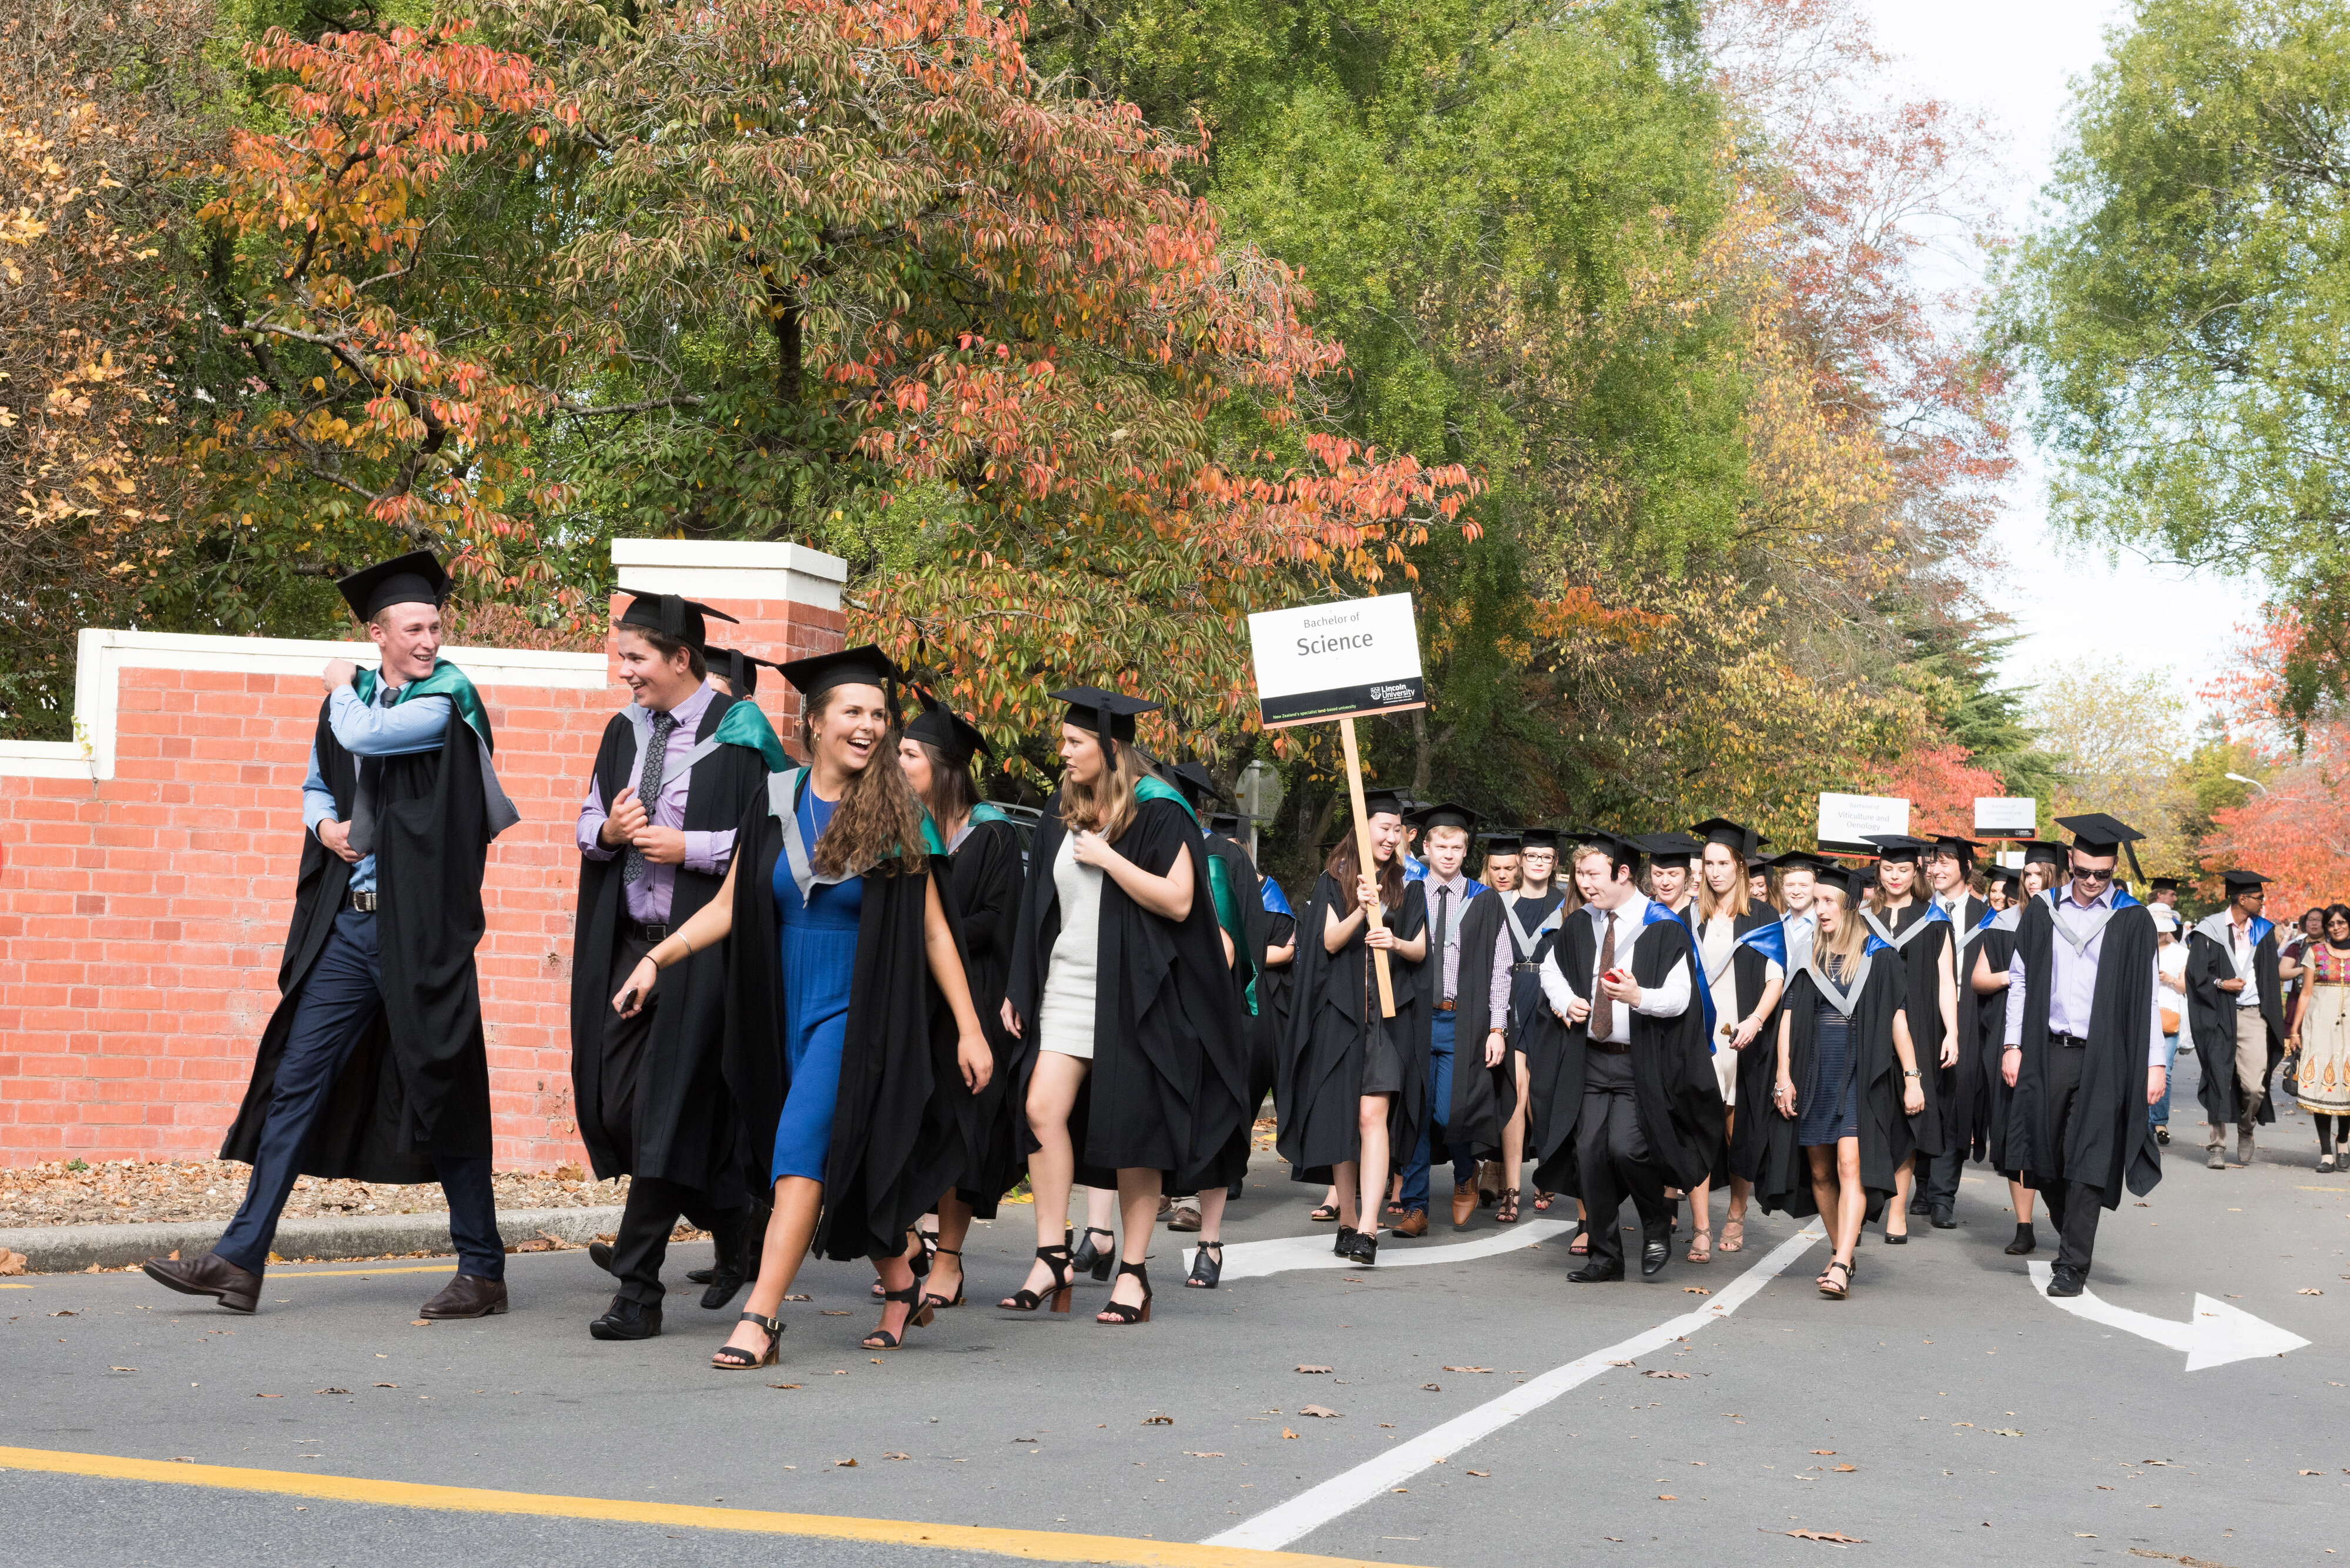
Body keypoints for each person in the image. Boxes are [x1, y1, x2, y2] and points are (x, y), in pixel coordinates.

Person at [146, 552, 521, 1319]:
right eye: (413, 627)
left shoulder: (446, 701)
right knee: (295, 1083)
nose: (428, 640)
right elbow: (322, 774)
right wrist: (326, 824)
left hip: (419, 937)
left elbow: (372, 736)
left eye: (435, 626)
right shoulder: (353, 702)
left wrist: (333, 683)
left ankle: (482, 1269)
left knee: (440, 1087)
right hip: (350, 929)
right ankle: (240, 1261)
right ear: (378, 632)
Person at [613, 645, 993, 1368]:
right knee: (833, 1158)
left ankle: (760, 1318)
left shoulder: (898, 814)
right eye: (853, 712)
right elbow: (731, 904)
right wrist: (656, 959)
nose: (870, 726)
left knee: (798, 1158)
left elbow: (935, 929)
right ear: (814, 722)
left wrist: (970, 1030)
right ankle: (901, 1282)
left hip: (857, 1009)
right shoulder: (774, 799)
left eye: (879, 714)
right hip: (781, 1004)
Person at [1000, 688, 1249, 1323]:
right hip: (1067, 986)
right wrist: (1020, 987)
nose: (1064, 751)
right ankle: (1052, 1250)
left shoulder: (1161, 814)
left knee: (1134, 1135)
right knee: (1040, 1109)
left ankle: (1134, 1271)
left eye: (1075, 742)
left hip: (1133, 995)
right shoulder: (1062, 811)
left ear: (1110, 748)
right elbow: (1039, 906)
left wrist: (1110, 856)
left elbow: (1179, 901)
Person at [571, 594, 783, 1342]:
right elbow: (585, 822)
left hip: (705, 947)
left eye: (635, 658)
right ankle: (735, 1216)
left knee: (665, 1103)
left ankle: (638, 1288)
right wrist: (611, 830)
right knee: (618, 1102)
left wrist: (683, 845)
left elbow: (772, 848)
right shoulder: (621, 732)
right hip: (630, 942)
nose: (623, 672)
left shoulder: (742, 737)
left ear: (680, 658)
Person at [1526, 831, 1716, 1282]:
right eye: (1580, 874)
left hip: (1638, 1063)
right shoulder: (1578, 924)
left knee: (1627, 1149)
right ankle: (1605, 1254)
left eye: (1593, 874)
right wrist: (1564, 999)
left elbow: (1678, 998)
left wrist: (1637, 995)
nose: (1584, 883)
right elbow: (1550, 969)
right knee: (1589, 1151)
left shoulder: (1663, 928)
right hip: (1590, 1058)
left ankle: (1656, 1225)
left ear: (1623, 872)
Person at [2000, 813, 2166, 1298]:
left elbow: (2147, 995)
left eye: (2103, 874)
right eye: (2084, 872)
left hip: (2105, 1057)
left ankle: (2072, 1262)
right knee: (2045, 1154)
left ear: (2114, 869)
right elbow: (2021, 979)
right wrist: (2013, 1044)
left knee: (2088, 1158)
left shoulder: (2132, 919)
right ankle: (2069, 1221)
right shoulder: (2040, 911)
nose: (2092, 882)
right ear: (2068, 861)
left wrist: (2154, 1061)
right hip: (2048, 1049)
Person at [898, 691, 1027, 1314]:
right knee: (905, 1123)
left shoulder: (993, 833)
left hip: (973, 998)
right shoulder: (901, 824)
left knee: (958, 1130)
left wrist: (926, 932)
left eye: (910, 754)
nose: (898, 763)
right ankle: (908, 1244)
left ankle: (947, 1259)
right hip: (913, 997)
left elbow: (996, 921)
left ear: (945, 766)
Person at [1279, 791, 1432, 1265]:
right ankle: (1347, 1219)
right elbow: (1326, 941)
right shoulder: (1334, 879)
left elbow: (1422, 949)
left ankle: (1368, 1228)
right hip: (1341, 1016)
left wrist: (1395, 939)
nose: (1389, 837)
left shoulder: (1411, 886)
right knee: (1342, 1119)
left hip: (1387, 1018)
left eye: (1396, 829)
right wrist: (1360, 908)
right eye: (1381, 827)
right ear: (1362, 827)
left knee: (1372, 1117)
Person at [1759, 865, 1925, 1299]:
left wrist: (1911, 1077)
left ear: (1850, 905)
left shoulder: (1879, 956)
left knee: (1850, 1164)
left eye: (1827, 901)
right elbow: (1788, 1018)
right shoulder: (1809, 954)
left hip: (1858, 1071)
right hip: (1816, 1072)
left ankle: (1838, 1262)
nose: (1820, 909)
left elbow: (1897, 1020)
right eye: (1816, 902)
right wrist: (1782, 1075)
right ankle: (1843, 1251)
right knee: (1819, 1169)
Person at [1156, 764, 1263, 1265]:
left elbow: (1247, 937)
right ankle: (1162, 1187)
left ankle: (1194, 1209)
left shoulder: (1226, 857)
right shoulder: (1146, 848)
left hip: (1212, 1000)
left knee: (1209, 1105)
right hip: (1158, 994)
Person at [1397, 804, 1508, 1235]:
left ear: (1466, 850)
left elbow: (1500, 968)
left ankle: (1465, 1173)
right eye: (1440, 846)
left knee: (1449, 1111)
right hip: (1416, 1020)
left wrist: (1497, 1026)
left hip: (1463, 1022)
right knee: (1417, 1112)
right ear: (1424, 847)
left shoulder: (1484, 900)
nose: (1448, 854)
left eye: (1456, 847)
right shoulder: (1407, 895)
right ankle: (1415, 1206)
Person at [1687, 819, 1786, 1263]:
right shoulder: (1693, 915)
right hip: (1699, 1035)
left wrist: (1757, 1020)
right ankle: (1701, 1227)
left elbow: (1775, 977)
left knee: (1736, 1130)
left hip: (1742, 1035)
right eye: (1708, 863)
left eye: (1723, 862)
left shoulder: (1762, 917)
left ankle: (1736, 1212)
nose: (1714, 871)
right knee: (1696, 1129)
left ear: (1741, 866)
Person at [1856, 834, 1959, 1242]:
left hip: (1919, 1026)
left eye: (1902, 869)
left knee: (1909, 1118)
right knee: (1870, 1113)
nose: (1895, 876)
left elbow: (1945, 980)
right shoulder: (1862, 915)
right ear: (1877, 872)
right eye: (1887, 869)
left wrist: (1951, 1030)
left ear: (1916, 870)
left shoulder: (1934, 919)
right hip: (1869, 1024)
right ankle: (1864, 1200)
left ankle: (1897, 1208)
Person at [1974, 840, 2064, 1255]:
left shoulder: (2071, 922)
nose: (2028, 881)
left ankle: (2063, 1210)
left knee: (2056, 1127)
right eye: (2025, 875)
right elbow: (1978, 980)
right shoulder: (2003, 922)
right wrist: (2015, 977)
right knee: (2016, 1130)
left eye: (2037, 874)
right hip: (2010, 1037)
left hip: (2056, 1040)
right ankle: (2024, 1224)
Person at [2186, 869, 2288, 1170]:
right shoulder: (2210, 930)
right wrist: (2221, 984)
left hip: (2254, 1016)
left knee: (2255, 1088)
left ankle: (2247, 1126)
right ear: (2242, 899)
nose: (2263, 901)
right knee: (2218, 1080)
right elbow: (2196, 975)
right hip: (2220, 1015)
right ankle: (2217, 1146)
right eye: (2259, 898)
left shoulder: (2264, 932)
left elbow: (2270, 978)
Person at [1920, 834, 1996, 1231]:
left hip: (1967, 1014)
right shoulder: (1917, 911)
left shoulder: (1989, 916)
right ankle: (1918, 1186)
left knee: (1955, 1103)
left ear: (1966, 868)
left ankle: (1942, 1196)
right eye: (1934, 860)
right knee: (1917, 1097)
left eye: (1947, 860)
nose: (1938, 867)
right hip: (1920, 1015)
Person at [1496, 828, 1571, 1221]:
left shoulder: (1567, 904)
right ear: (1521, 859)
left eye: (1546, 857)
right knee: (1516, 1090)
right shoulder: (1499, 902)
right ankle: (1512, 1187)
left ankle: (1545, 1171)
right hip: (1508, 996)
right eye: (1532, 856)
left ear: (1554, 862)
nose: (1538, 863)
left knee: (1544, 1092)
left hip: (1548, 999)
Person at [2284, 904, 2350, 1171]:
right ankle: (2326, 1154)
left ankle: (2343, 1140)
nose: (2336, 927)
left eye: (2340, 922)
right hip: (2319, 1026)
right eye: (2331, 923)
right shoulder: (2315, 952)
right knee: (2321, 1088)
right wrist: (2294, 1030)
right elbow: (2306, 993)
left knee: (2347, 1087)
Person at [2153, 905, 2190, 1144]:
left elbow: (2186, 987)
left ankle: (2159, 1121)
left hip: (2168, 1017)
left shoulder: (2181, 953)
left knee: (2164, 1072)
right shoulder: (2137, 947)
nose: (2158, 935)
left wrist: (2169, 979)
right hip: (2141, 1015)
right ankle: (2140, 1121)